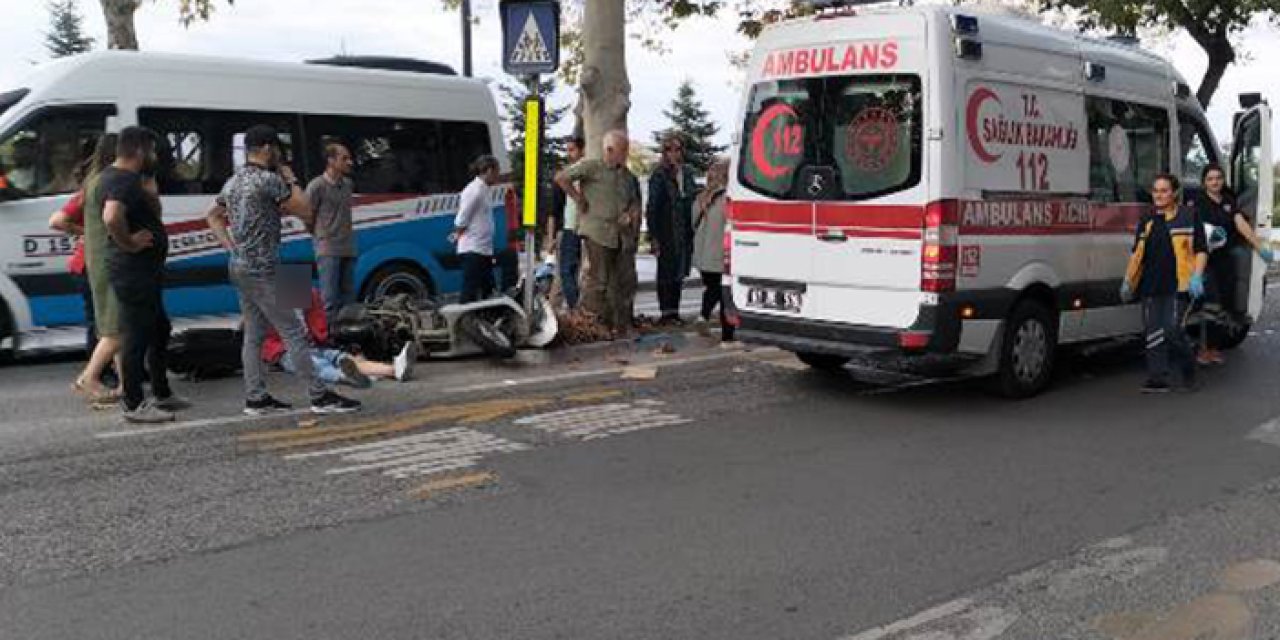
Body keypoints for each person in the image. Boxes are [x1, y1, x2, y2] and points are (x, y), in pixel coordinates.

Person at [206, 124, 360, 416]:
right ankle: (320, 396)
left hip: (239, 266)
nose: (279, 153)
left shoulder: (233, 182)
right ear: (266, 148)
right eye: (276, 147)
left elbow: (212, 215)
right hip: (266, 269)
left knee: (254, 334)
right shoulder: (269, 180)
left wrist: (230, 246)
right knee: (294, 332)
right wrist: (291, 179)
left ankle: (256, 398)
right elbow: (305, 210)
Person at [101, 127, 190, 423]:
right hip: (134, 271)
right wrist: (129, 242)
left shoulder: (118, 177)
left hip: (142, 271)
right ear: (140, 150)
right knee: (137, 336)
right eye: (152, 150)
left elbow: (146, 213)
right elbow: (111, 216)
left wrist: (150, 195)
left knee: (159, 328)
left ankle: (162, 392)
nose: (155, 157)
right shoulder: (124, 179)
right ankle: (134, 403)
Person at [1121, 174, 1209, 394]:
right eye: (1156, 191)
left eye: (1164, 190)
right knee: (1153, 333)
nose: (1159, 195)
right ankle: (1157, 378)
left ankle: (1188, 370)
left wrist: (1197, 276)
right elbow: (1137, 254)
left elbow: (1201, 249)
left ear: (1174, 193)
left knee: (1172, 330)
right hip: (1151, 285)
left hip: (1180, 284)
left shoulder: (1189, 216)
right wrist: (1128, 281)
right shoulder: (1147, 220)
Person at [554, 130, 639, 336]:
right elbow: (562, 178)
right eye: (623, 150)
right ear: (609, 150)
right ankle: (596, 324)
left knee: (623, 280)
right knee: (599, 281)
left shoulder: (627, 176)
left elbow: (634, 201)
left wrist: (630, 214)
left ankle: (622, 324)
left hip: (620, 235)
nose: (626, 154)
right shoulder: (592, 167)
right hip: (597, 232)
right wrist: (578, 198)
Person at [1192, 164, 1275, 365]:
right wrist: (1196, 273)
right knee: (1211, 304)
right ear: (1204, 182)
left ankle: (1213, 349)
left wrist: (1259, 246)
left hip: (1225, 260)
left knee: (1225, 306)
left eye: (1218, 178)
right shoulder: (1198, 202)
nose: (1215, 182)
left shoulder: (1228, 201)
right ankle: (1202, 349)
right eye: (1210, 179)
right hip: (1204, 259)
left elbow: (1241, 225)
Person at [263, 289, 417, 386]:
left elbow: (318, 325)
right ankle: (347, 376)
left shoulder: (307, 295)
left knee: (342, 358)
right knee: (319, 364)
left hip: (311, 346)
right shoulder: (270, 301)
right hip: (289, 351)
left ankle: (394, 369)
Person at [72, 134, 123, 403]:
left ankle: (125, 386)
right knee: (114, 327)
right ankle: (90, 376)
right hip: (106, 261)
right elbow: (113, 219)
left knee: (114, 326)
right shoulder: (107, 183)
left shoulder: (92, 182)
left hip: (96, 261)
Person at [646, 133, 700, 325]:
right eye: (670, 150)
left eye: (678, 150)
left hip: (684, 230)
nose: (675, 154)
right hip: (666, 230)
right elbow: (652, 207)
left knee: (679, 272)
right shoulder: (659, 175)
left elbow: (693, 196)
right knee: (665, 273)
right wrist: (653, 236)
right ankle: (666, 312)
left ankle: (675, 311)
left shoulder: (687, 172)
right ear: (665, 153)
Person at [306, 143, 358, 330]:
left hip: (348, 247)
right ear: (330, 160)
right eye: (344, 158)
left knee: (348, 298)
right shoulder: (316, 186)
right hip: (328, 248)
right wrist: (320, 235)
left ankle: (348, 337)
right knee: (329, 299)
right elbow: (307, 215)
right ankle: (328, 338)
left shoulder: (348, 185)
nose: (349, 162)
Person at [692, 157, 735, 343]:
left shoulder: (699, 199)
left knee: (712, 289)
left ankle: (703, 316)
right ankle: (727, 336)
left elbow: (692, 225)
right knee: (726, 297)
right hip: (719, 257)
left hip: (702, 259)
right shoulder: (727, 200)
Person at [451, 155, 502, 303]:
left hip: (483, 249)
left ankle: (484, 322)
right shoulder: (474, 190)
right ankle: (464, 322)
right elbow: (461, 219)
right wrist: (457, 235)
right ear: (489, 170)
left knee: (487, 289)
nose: (498, 176)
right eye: (497, 171)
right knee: (470, 290)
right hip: (472, 249)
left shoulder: (484, 190)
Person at [549, 136, 586, 309]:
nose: (569, 154)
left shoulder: (581, 171)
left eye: (572, 150)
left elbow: (559, 179)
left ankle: (574, 307)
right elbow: (554, 210)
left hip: (575, 227)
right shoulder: (573, 172)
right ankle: (570, 307)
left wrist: (578, 198)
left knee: (567, 271)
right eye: (567, 150)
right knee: (568, 272)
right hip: (571, 226)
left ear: (582, 150)